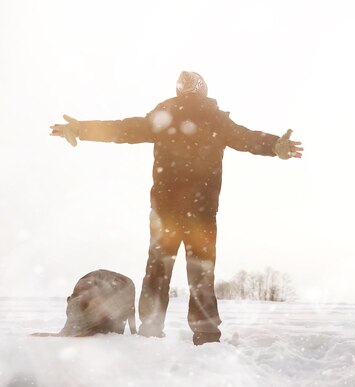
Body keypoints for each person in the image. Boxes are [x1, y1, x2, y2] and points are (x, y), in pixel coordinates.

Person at [50, 71, 303, 345]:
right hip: (202, 212)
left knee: (157, 271)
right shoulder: (216, 119)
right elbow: (248, 138)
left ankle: (150, 331)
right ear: (203, 90)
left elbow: (121, 129)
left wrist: (81, 129)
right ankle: (206, 335)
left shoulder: (164, 117)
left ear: (179, 91)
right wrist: (276, 145)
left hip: (165, 212)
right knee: (201, 274)